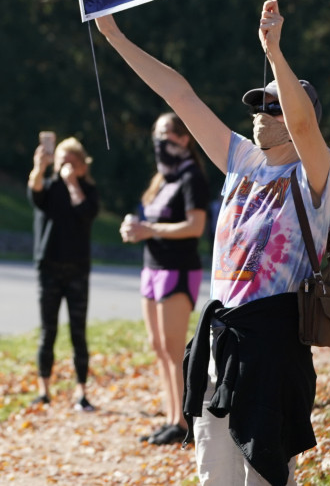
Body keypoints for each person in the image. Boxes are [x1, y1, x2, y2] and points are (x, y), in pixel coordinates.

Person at [97, 0, 330, 485]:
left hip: (274, 351)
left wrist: (274, 55)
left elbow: (305, 126)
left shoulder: (317, 173)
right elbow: (181, 96)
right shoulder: (240, 161)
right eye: (258, 105)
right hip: (219, 343)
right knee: (215, 478)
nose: (260, 113)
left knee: (265, 478)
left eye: (274, 106)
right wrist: (115, 37)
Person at [120, 112, 209, 446]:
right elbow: (150, 221)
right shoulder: (162, 178)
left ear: (184, 139)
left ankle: (186, 424)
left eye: (166, 134)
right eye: (156, 134)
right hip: (151, 268)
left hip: (178, 269)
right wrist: (134, 229)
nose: (159, 141)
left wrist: (150, 229)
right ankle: (172, 417)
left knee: (174, 350)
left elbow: (195, 226)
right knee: (158, 348)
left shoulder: (191, 177)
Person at [28, 136, 100, 411]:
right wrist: (39, 166)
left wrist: (72, 183)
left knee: (78, 333)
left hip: (77, 270)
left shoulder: (87, 192)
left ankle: (81, 393)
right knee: (48, 331)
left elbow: (85, 212)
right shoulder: (47, 187)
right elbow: (34, 193)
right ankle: (44, 390)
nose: (65, 167)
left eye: (71, 162)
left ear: (82, 166)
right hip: (48, 268)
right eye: (61, 162)